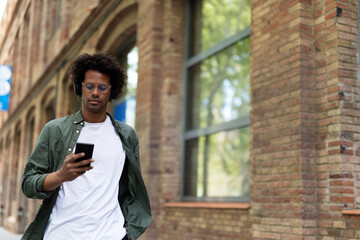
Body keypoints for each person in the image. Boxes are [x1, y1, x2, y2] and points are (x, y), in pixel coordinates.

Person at [21, 52, 151, 240]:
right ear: (79, 87)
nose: (95, 93)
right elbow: (28, 184)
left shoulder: (126, 135)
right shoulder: (55, 130)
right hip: (61, 234)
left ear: (112, 91)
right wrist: (61, 175)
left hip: (111, 235)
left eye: (103, 87)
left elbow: (133, 190)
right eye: (90, 86)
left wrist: (129, 234)